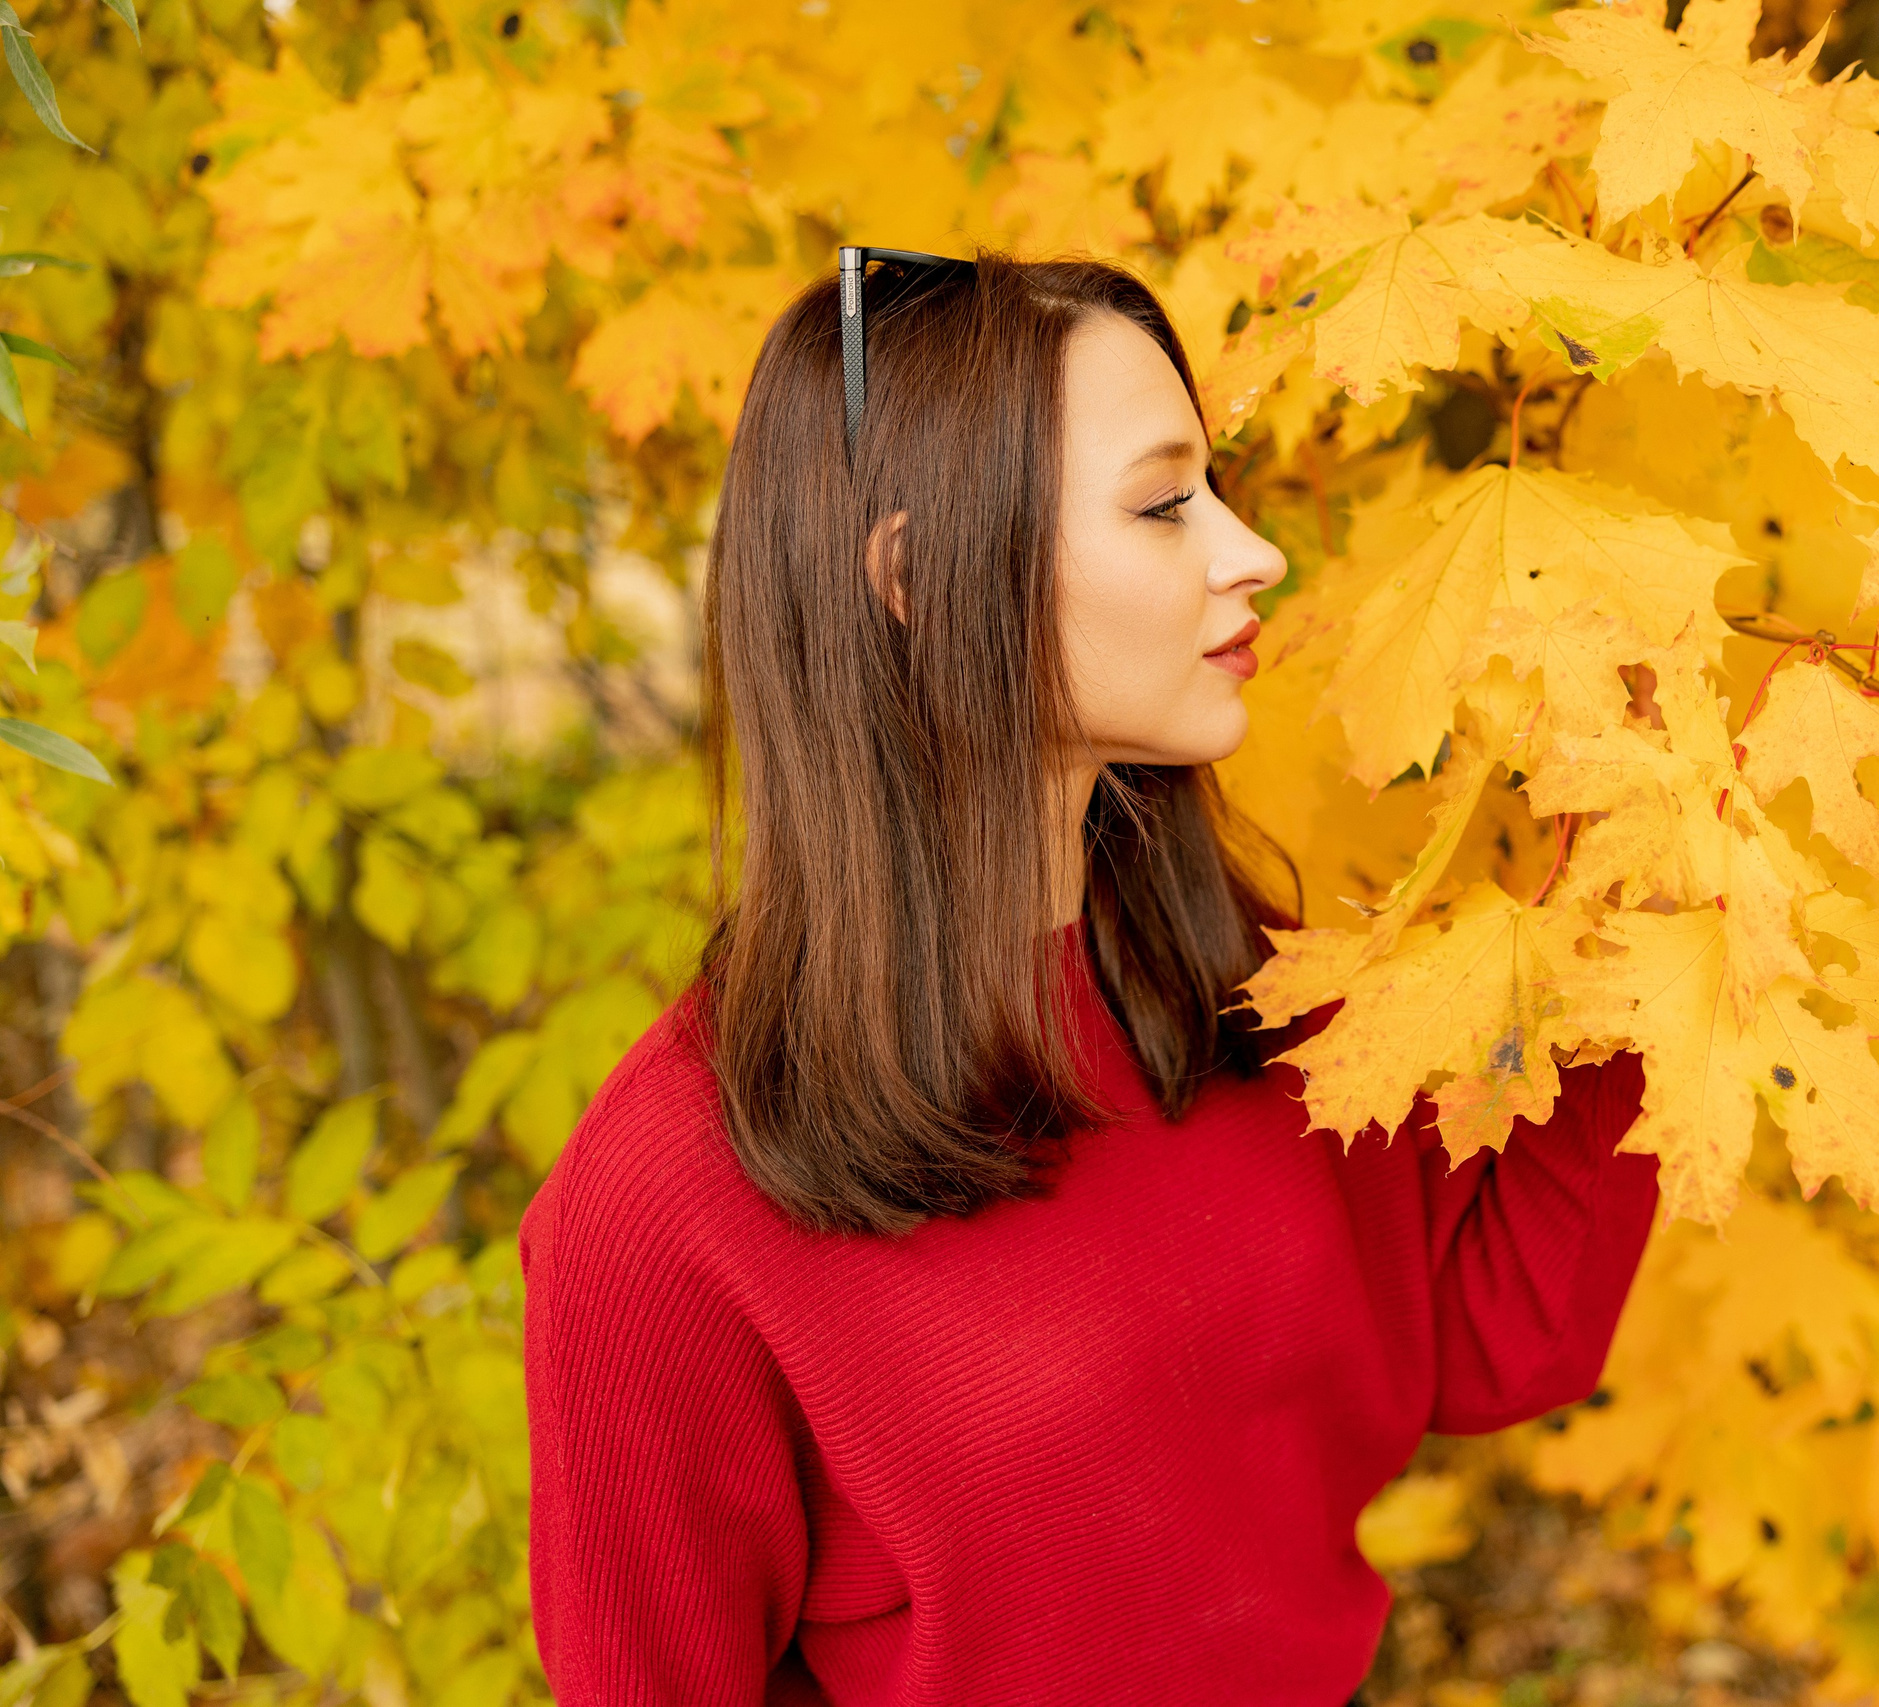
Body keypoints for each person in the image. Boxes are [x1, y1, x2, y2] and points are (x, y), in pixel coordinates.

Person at [519, 251, 1659, 1706]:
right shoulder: (666, 1204)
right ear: (916, 578)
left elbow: (1499, 1340)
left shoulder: (1242, 986)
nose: (1252, 553)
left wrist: (1643, 923)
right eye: (1164, 501)